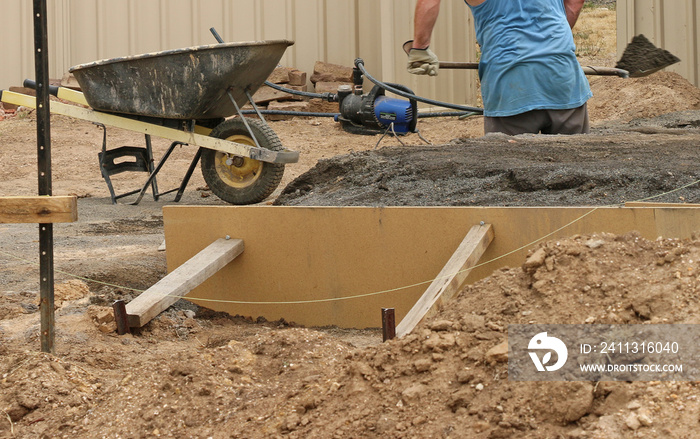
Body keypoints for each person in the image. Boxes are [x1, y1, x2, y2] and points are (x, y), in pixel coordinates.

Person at [407, 0, 592, 135]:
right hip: (562, 77)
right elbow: (575, 3)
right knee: (575, 171)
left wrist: (420, 48)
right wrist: (551, 45)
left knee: (509, 175)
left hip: (510, 84)